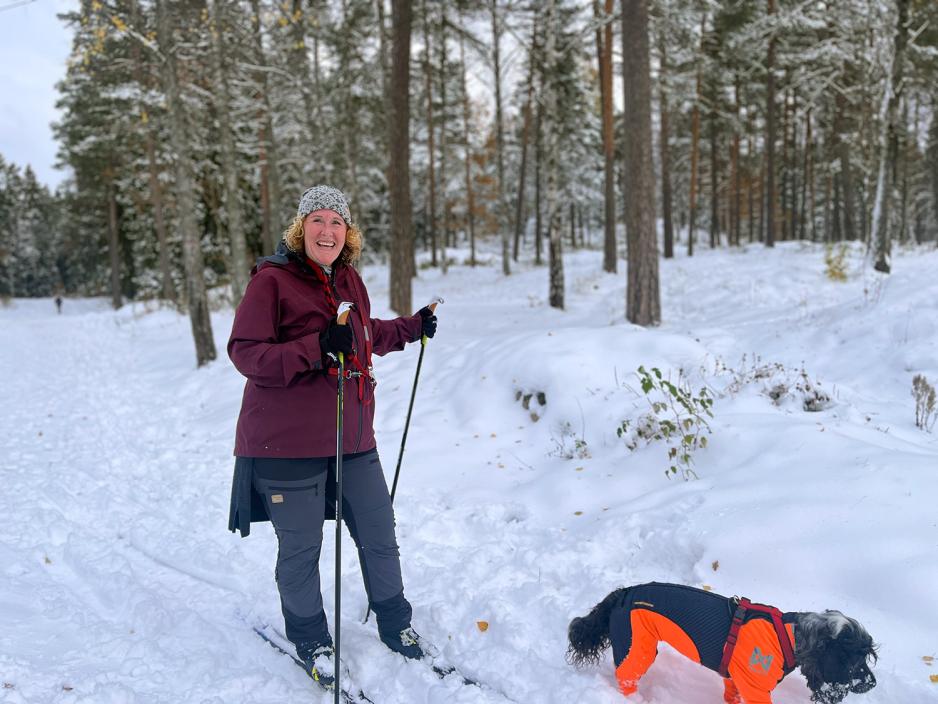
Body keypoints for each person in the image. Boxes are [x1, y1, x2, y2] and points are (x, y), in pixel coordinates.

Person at [227, 185, 438, 687]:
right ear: (301, 229)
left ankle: (396, 625)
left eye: (337, 222)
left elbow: (363, 336)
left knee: (379, 535)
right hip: (288, 444)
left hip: (354, 438)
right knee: (301, 550)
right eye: (318, 220)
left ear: (348, 232)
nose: (327, 230)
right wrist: (316, 346)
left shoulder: (348, 278)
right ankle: (311, 641)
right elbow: (245, 353)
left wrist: (411, 327)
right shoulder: (272, 282)